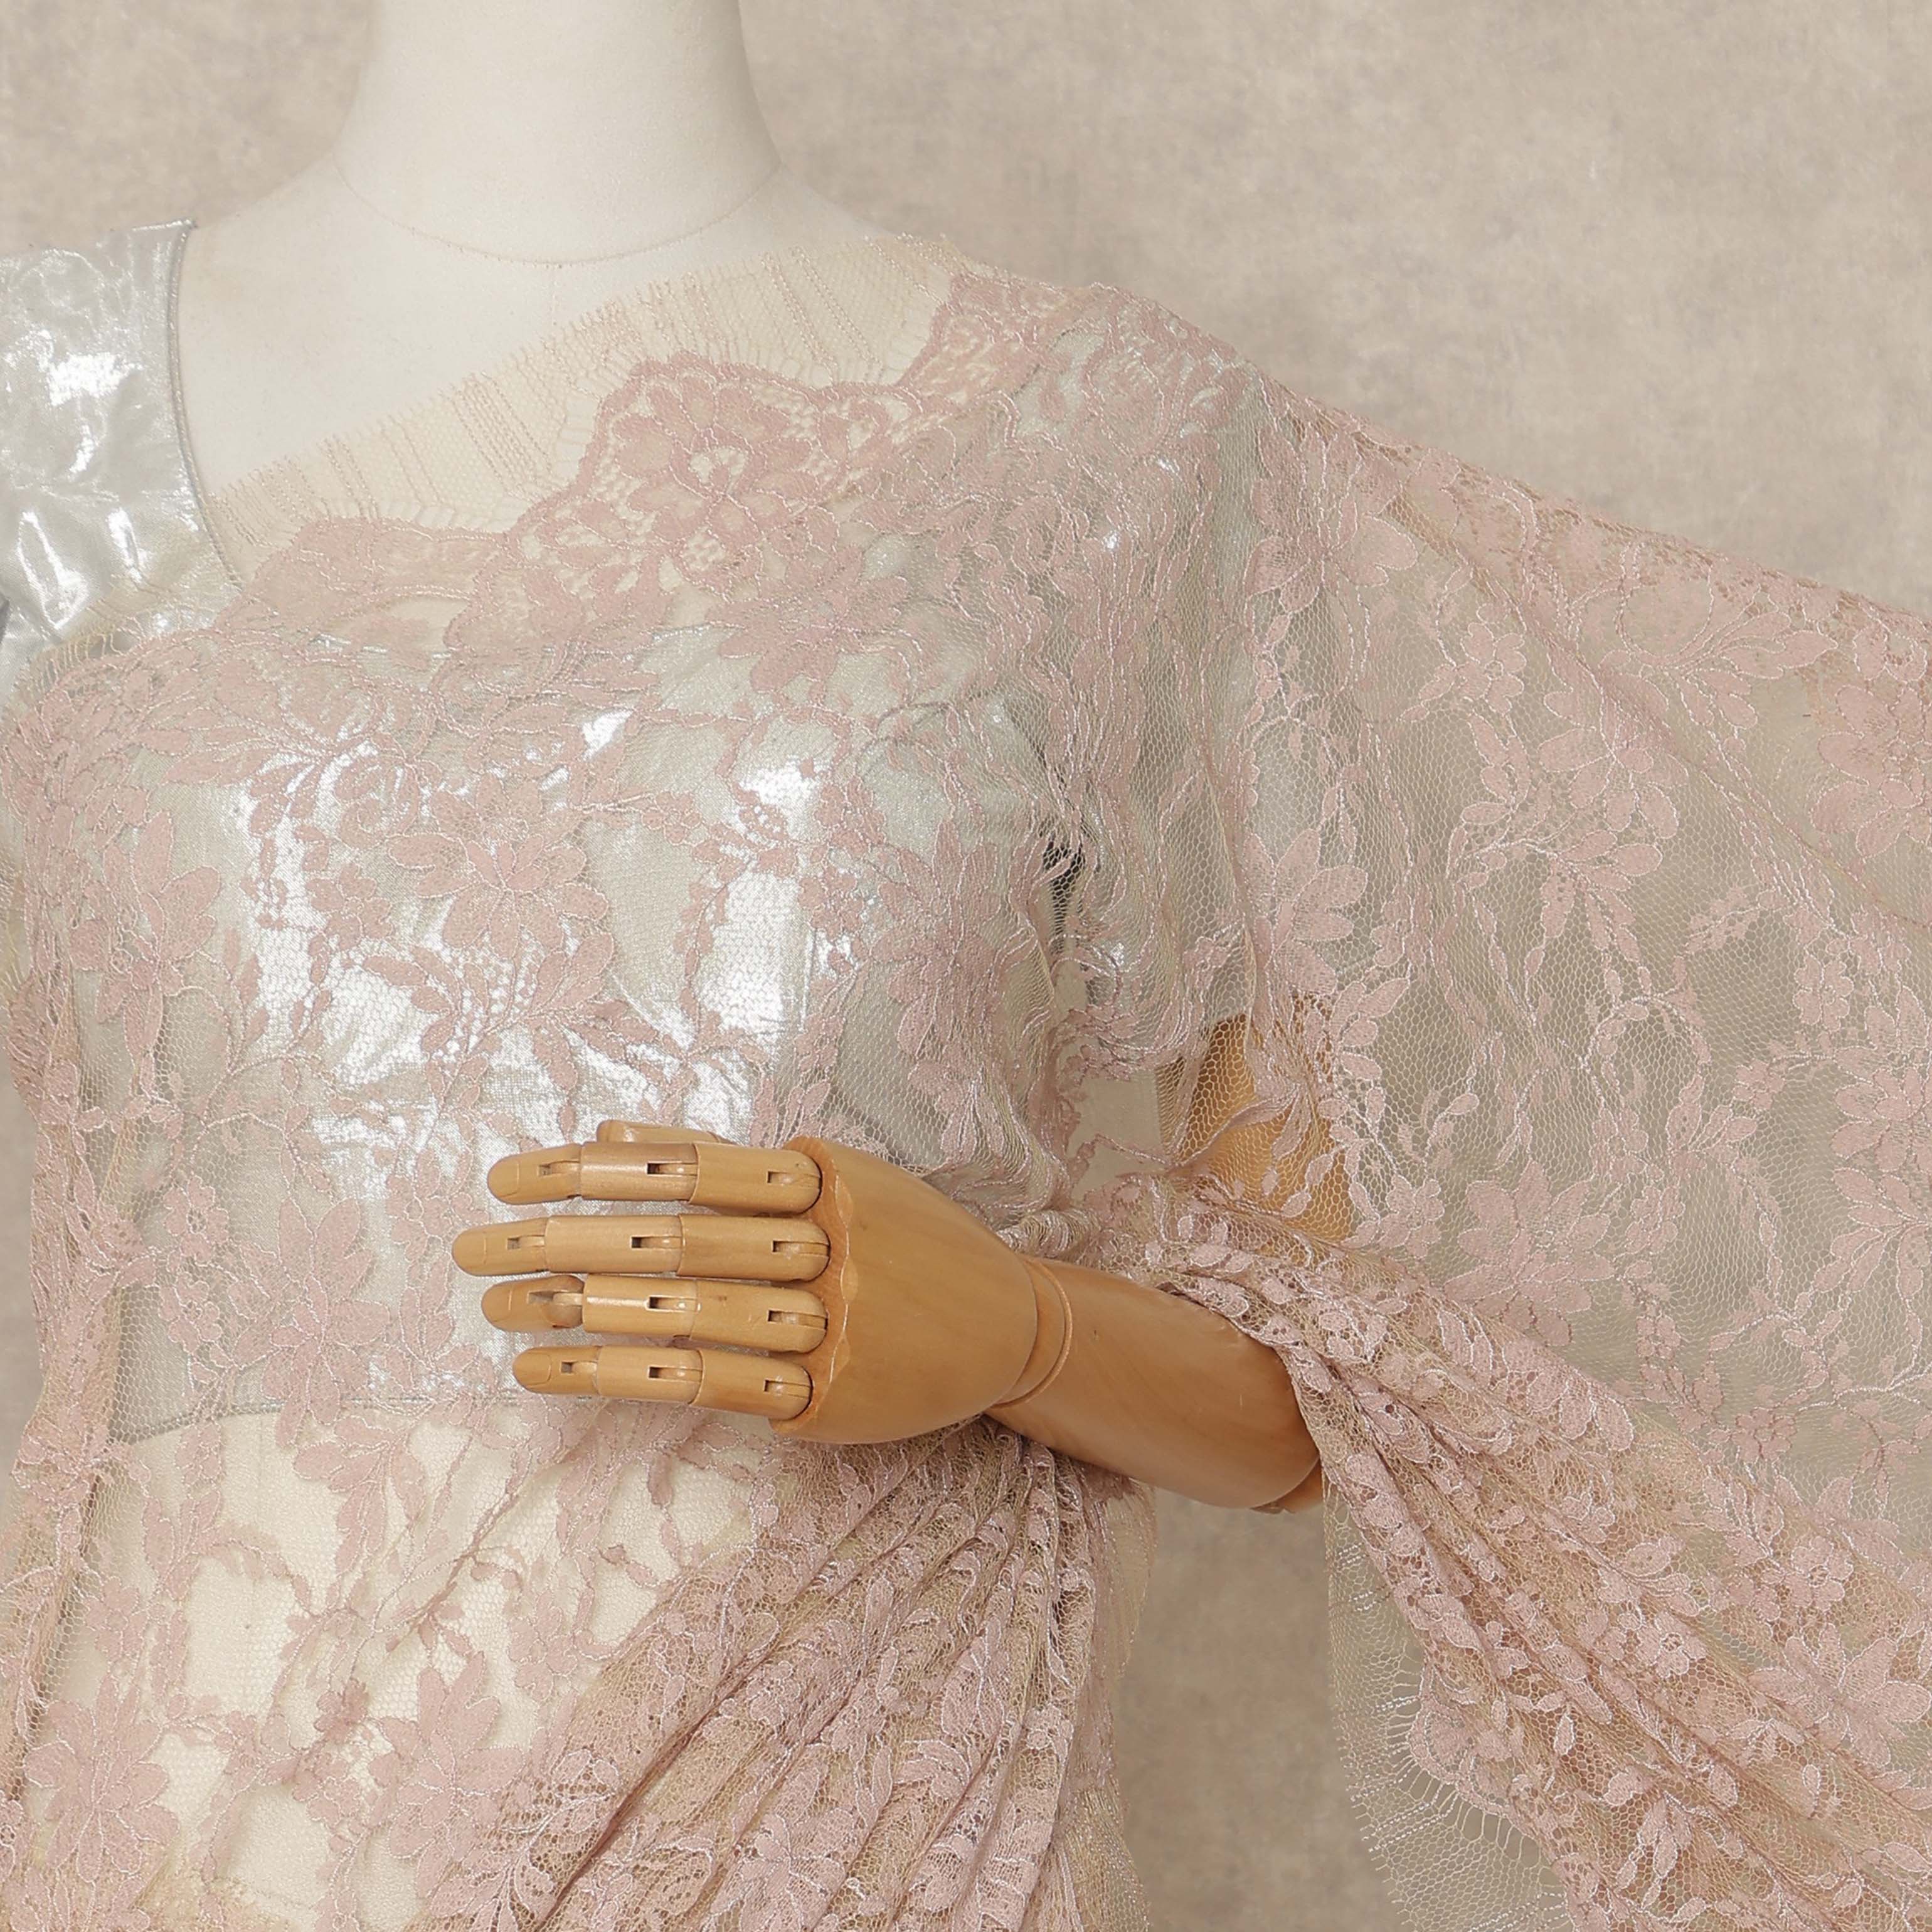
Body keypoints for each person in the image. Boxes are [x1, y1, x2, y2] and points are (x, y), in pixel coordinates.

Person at [0, 3, 1927, 1928]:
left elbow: (1319, 1391)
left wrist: (1014, 1325)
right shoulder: (41, 414)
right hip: (173, 1822)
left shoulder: (1108, 445)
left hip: (858, 1814)